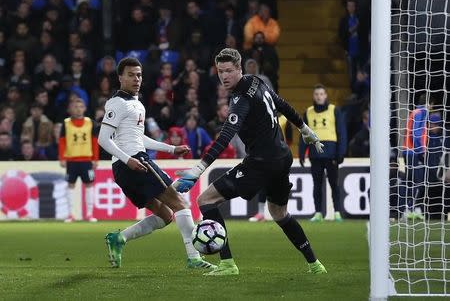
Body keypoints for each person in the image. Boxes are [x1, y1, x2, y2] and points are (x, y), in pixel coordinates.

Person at [174, 48, 327, 276]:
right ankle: (315, 264)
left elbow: (226, 135)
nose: (224, 76)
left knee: (205, 200)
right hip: (282, 157)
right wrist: (304, 129)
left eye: (228, 71)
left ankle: (227, 264)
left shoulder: (240, 98)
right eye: (220, 71)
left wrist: (198, 169)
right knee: (280, 213)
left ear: (239, 69)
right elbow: (281, 104)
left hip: (261, 162)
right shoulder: (256, 81)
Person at [97, 57, 215, 270]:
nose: (136, 79)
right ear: (120, 77)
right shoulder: (117, 103)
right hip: (134, 162)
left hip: (126, 167)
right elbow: (103, 139)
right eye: (131, 75)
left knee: (166, 215)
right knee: (180, 203)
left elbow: (139, 138)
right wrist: (129, 159)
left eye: (139, 75)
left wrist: (171, 148)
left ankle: (119, 238)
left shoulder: (137, 104)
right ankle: (194, 258)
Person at [299, 84, 347, 222]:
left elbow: (341, 132)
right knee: (317, 184)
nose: (319, 96)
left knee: (334, 184)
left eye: (321, 94)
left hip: (331, 153)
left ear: (326, 96)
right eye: (316, 94)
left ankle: (337, 212)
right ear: (313, 96)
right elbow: (304, 134)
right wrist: (302, 153)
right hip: (315, 154)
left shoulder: (334, 110)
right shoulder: (308, 112)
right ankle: (318, 213)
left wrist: (341, 153)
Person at [59, 98, 99, 223]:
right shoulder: (66, 123)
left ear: (85, 108)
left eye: (80, 106)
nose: (78, 109)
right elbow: (62, 142)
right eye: (75, 107)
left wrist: (95, 159)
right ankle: (70, 214)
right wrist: (62, 157)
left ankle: (89, 214)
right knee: (70, 185)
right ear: (70, 109)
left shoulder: (90, 123)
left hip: (86, 160)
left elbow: (94, 142)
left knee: (89, 185)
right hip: (71, 160)